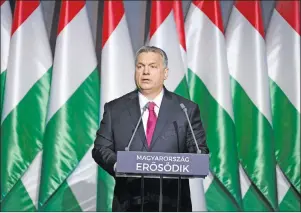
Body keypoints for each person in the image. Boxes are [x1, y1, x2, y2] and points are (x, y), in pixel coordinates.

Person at [92, 46, 209, 212]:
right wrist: (117, 164)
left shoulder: (185, 109)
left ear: (165, 73)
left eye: (152, 66)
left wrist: (192, 159)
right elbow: (101, 148)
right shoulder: (115, 109)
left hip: (173, 204)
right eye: (140, 66)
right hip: (128, 204)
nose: (145, 72)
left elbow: (199, 150)